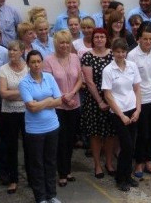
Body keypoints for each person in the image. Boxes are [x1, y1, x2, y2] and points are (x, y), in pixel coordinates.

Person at [19, 50, 62, 203]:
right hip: (34, 130)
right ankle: (41, 198)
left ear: (42, 62)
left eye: (38, 61)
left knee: (50, 162)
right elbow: (31, 107)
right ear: (28, 64)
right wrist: (49, 100)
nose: (36, 64)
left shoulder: (49, 78)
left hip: (52, 127)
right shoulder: (24, 83)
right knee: (37, 164)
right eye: (33, 62)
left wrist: (41, 102)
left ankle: (51, 195)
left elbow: (59, 100)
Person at [102, 38, 142, 192]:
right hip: (118, 112)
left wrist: (138, 110)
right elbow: (108, 95)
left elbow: (137, 89)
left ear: (126, 52)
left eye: (123, 51)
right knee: (127, 145)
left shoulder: (132, 66)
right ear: (112, 52)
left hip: (132, 109)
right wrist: (121, 115)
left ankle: (127, 175)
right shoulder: (108, 70)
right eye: (117, 51)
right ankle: (120, 178)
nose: (120, 54)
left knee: (131, 146)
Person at [43, 31, 82, 187]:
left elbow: (80, 78)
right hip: (58, 105)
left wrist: (72, 94)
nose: (65, 46)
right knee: (60, 140)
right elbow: (48, 83)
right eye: (61, 43)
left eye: (67, 42)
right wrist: (64, 97)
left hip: (75, 103)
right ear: (56, 44)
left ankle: (67, 169)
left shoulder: (75, 57)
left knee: (71, 139)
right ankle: (61, 172)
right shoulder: (48, 60)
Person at [127, 22, 151, 179]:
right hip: (141, 99)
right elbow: (132, 81)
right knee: (143, 133)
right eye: (145, 39)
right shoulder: (132, 56)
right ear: (139, 39)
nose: (148, 42)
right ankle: (139, 162)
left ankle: (149, 161)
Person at [80, 28, 116, 178]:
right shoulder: (87, 56)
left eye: (102, 36)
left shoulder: (113, 54)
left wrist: (111, 99)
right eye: (97, 37)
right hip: (94, 100)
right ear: (93, 39)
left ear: (106, 38)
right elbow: (89, 81)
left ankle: (109, 162)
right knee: (95, 135)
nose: (99, 39)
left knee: (110, 134)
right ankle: (97, 165)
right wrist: (100, 101)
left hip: (113, 98)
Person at [0, 40, 28, 195]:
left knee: (29, 145)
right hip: (8, 113)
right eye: (9, 49)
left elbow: (34, 91)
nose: (11, 52)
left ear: (22, 51)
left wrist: (13, 93)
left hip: (28, 112)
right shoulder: (3, 70)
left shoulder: (28, 68)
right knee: (11, 147)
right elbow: (3, 93)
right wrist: (24, 93)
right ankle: (13, 179)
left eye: (15, 50)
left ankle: (32, 177)